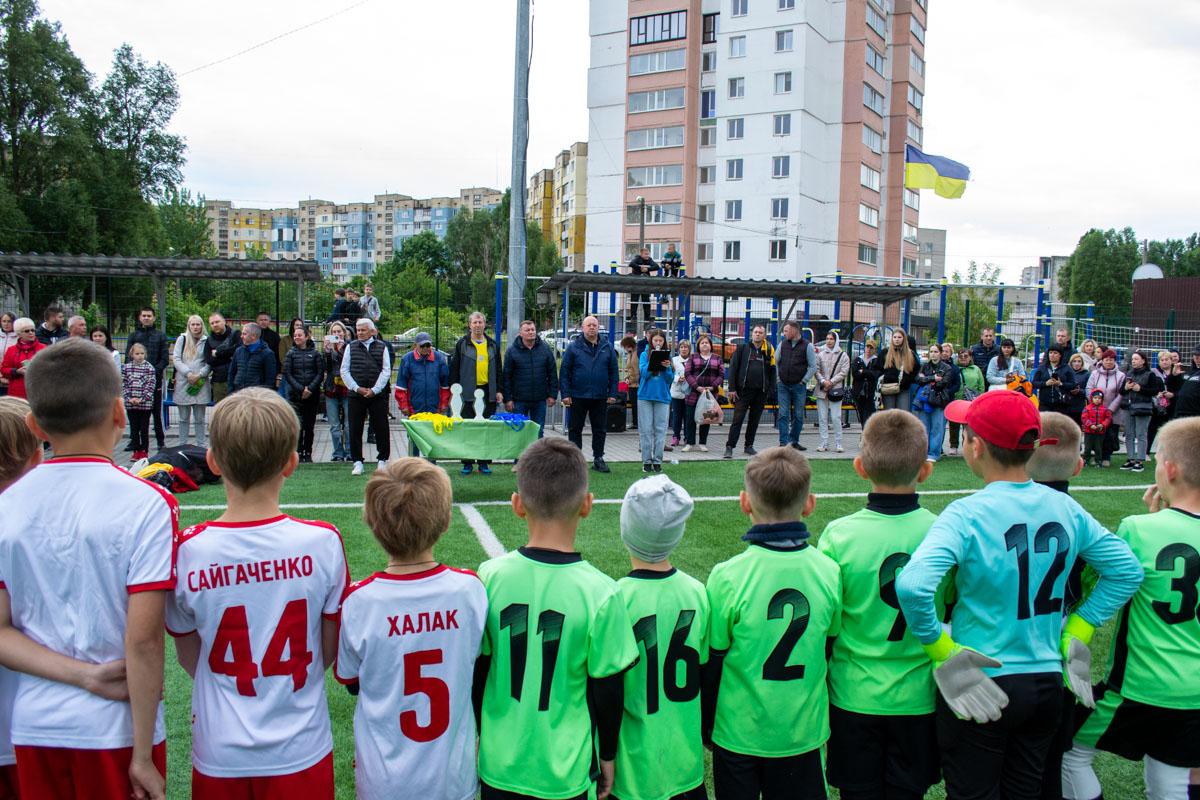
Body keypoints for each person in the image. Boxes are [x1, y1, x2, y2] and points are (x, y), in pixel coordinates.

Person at [895, 391, 1143, 800]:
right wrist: (1078, 628)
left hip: (982, 678)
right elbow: (1125, 571)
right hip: (1046, 684)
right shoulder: (1065, 507)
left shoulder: (966, 512)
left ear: (975, 446)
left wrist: (940, 649)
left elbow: (913, 585)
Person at [0, 338, 177, 800]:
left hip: (35, 724)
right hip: (114, 729)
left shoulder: (6, 504)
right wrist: (141, 755)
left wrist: (78, 675)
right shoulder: (148, 501)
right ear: (121, 413)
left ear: (34, 425)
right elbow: (142, 640)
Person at [165, 388, 347, 799]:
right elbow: (327, 647)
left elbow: (188, 653)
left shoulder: (189, 549)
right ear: (292, 463)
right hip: (300, 741)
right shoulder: (322, 542)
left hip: (220, 745)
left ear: (212, 462)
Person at [473, 438, 639, 800]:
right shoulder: (602, 592)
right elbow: (608, 689)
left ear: (517, 506)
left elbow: (478, 667)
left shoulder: (488, 577)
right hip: (565, 769)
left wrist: (477, 731)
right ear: (587, 506)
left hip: (499, 762)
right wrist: (607, 755)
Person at [1062, 417, 1200, 800]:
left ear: (1168, 470)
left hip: (1140, 687)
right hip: (1196, 691)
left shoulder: (1139, 528)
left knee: (1068, 752)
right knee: (1173, 775)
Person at [336, 458, 486, 800]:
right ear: (447, 522)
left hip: (383, 780)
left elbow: (352, 682)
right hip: (452, 777)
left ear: (371, 523)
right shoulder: (469, 589)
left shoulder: (359, 601)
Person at [704, 446, 841, 799]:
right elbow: (829, 647)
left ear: (744, 503)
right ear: (809, 504)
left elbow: (713, 661)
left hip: (739, 732)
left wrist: (707, 725)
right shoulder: (828, 571)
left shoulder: (728, 576)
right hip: (802, 732)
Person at [818, 410, 942, 800]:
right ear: (925, 471)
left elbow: (828, 622)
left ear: (860, 467)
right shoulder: (942, 532)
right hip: (919, 698)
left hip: (854, 696)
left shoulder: (839, 536)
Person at [614, 474, 708, 800]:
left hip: (631, 771)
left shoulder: (615, 598)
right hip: (686, 764)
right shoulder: (698, 593)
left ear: (627, 528)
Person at [560, 315, 619, 472]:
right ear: (582, 328)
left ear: (598, 328)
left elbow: (614, 372)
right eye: (589, 325)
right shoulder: (573, 347)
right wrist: (566, 394)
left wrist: (613, 393)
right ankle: (575, 460)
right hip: (577, 395)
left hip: (600, 396)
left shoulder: (607, 347)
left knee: (599, 429)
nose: (592, 327)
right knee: (575, 429)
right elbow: (564, 372)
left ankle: (598, 458)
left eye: (594, 325)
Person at [448, 312, 503, 475]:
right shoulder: (462, 344)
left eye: (480, 322)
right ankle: (467, 463)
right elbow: (454, 368)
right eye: (475, 322)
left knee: (486, 428)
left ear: (485, 325)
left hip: (488, 392)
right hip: (467, 392)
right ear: (469, 325)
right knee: (468, 428)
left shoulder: (492, 345)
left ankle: (484, 463)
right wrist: (454, 390)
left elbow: (499, 370)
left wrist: (499, 390)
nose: (478, 325)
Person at [341, 318, 393, 476]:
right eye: (358, 330)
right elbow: (344, 371)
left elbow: (386, 370)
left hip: (377, 395)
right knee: (355, 428)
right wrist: (357, 388)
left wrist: (375, 390)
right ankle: (357, 462)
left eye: (363, 330)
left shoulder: (382, 346)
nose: (360, 333)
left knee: (381, 427)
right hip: (356, 395)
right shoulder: (350, 347)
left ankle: (382, 460)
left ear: (372, 331)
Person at [724, 324, 776, 459]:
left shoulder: (769, 350)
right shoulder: (742, 348)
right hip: (743, 392)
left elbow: (772, 370)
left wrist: (770, 389)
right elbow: (733, 368)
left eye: (760, 332)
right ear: (752, 334)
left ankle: (749, 446)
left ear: (764, 336)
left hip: (760, 392)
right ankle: (729, 447)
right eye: (755, 332)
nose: (757, 334)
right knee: (737, 420)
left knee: (754, 421)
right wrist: (732, 388)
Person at [395, 332, 450, 458]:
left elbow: (445, 384)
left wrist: (444, 403)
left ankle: (432, 466)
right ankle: (413, 466)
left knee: (433, 437)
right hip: (414, 406)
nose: (426, 348)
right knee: (414, 437)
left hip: (434, 405)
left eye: (428, 345)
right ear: (415, 345)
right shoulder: (407, 359)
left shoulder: (439, 358)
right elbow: (400, 386)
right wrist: (403, 405)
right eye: (422, 345)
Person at [502, 320, 558, 442]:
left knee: (538, 432)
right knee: (519, 432)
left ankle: (537, 460)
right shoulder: (512, 351)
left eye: (532, 329)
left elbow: (552, 373)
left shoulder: (545, 349)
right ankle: (519, 460)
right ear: (520, 333)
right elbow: (506, 377)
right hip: (519, 400)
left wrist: (552, 395)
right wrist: (508, 399)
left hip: (540, 400)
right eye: (527, 330)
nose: (531, 332)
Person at [126, 307, 169, 450]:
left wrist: (151, 373)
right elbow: (127, 357)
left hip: (153, 381)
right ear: (140, 318)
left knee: (156, 413)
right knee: (134, 414)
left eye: (149, 316)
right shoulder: (133, 336)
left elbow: (164, 359)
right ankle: (134, 441)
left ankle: (160, 441)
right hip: (134, 384)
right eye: (144, 315)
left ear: (154, 318)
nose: (146, 318)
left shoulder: (160, 336)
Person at [283, 324, 325, 463]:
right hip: (296, 396)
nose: (297, 338)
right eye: (295, 335)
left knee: (309, 425)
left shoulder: (315, 353)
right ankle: (298, 452)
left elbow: (319, 373)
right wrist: (301, 389)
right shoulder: (290, 354)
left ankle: (308, 453)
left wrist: (310, 389)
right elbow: (288, 373)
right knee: (298, 425)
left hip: (312, 396)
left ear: (307, 336)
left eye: (299, 335)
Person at [914, 343, 959, 462]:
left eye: (936, 352)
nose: (933, 354)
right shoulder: (924, 365)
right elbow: (918, 380)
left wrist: (926, 378)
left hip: (939, 399)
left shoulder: (946, 367)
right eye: (931, 351)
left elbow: (943, 383)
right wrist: (933, 378)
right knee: (924, 427)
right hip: (924, 400)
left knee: (937, 427)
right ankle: (924, 452)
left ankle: (934, 453)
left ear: (940, 353)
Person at [1118, 350, 1162, 474]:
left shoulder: (1150, 374)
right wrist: (1126, 388)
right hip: (1128, 407)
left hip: (1142, 407)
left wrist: (1140, 389)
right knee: (1129, 434)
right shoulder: (1128, 374)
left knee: (1141, 434)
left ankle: (1140, 460)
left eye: (1136, 359)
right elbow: (1121, 391)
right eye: (1132, 359)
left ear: (1143, 361)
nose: (1133, 361)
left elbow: (1154, 391)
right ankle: (1130, 459)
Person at [777, 320, 818, 451]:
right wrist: (778, 378)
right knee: (783, 414)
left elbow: (813, 366)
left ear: (794, 331)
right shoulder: (782, 344)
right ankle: (784, 442)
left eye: (786, 331)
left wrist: (804, 381)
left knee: (798, 415)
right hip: (783, 384)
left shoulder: (808, 346)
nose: (784, 334)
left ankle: (794, 441)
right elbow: (776, 361)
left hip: (798, 386)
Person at [171, 314, 211, 448]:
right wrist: (188, 373)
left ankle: (201, 445)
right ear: (189, 326)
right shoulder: (182, 339)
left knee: (200, 419)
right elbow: (176, 359)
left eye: (198, 324)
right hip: (184, 383)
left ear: (202, 326)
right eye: (193, 324)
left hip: (200, 383)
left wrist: (200, 374)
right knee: (183, 418)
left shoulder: (207, 341)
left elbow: (209, 361)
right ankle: (182, 445)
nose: (195, 327)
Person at [637, 328, 673, 472]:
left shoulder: (667, 356)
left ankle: (657, 461)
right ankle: (646, 461)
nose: (658, 342)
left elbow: (670, 379)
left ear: (664, 342)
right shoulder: (645, 354)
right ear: (651, 341)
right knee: (645, 430)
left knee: (661, 430)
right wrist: (654, 363)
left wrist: (668, 368)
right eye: (655, 340)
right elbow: (644, 373)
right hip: (645, 396)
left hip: (662, 397)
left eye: (660, 340)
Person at [682, 334, 724, 453]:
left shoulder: (717, 358)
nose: (705, 344)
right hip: (694, 393)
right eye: (702, 343)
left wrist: (713, 386)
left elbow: (721, 375)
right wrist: (697, 386)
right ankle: (689, 443)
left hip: (709, 394)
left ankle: (703, 443)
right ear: (698, 346)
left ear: (711, 345)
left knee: (707, 418)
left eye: (707, 343)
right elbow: (688, 374)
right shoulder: (692, 357)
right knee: (690, 418)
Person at [1087, 349, 1127, 466]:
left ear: (1115, 361)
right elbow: (1089, 389)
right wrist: (1095, 405)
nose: (1108, 362)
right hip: (1095, 412)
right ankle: (1097, 457)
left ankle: (1106, 457)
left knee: (1110, 434)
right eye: (1106, 360)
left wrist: (1110, 409)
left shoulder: (1121, 376)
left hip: (1113, 412)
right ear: (1102, 360)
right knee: (1096, 435)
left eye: (1111, 360)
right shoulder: (1095, 374)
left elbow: (1121, 394)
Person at [812, 330, 850, 454]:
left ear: (836, 340)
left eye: (831, 339)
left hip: (835, 390)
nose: (829, 341)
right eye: (827, 339)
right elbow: (816, 370)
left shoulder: (843, 355)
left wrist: (831, 382)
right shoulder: (821, 355)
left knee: (836, 417)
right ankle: (824, 442)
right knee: (822, 418)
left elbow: (844, 371)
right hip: (822, 390)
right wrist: (823, 381)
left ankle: (839, 442)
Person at [322, 321, 352, 462]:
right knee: (334, 424)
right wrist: (327, 351)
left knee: (348, 423)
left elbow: (345, 366)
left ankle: (349, 451)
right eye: (334, 332)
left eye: (339, 331)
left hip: (346, 387)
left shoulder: (349, 347)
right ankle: (337, 452)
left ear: (344, 332)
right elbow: (327, 368)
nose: (336, 334)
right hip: (331, 388)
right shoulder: (328, 348)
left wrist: (340, 351)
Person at [123, 343, 156, 461]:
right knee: (134, 429)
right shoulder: (126, 368)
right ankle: (136, 450)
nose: (140, 356)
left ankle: (144, 451)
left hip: (145, 405)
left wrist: (142, 399)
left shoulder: (149, 368)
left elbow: (150, 385)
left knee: (144, 429)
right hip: (131, 404)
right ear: (132, 355)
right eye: (137, 354)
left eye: (142, 353)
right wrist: (129, 398)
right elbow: (124, 384)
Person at [949, 347, 985, 456]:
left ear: (970, 357)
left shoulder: (976, 369)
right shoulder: (954, 369)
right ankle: (954, 445)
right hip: (956, 399)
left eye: (966, 356)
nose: (963, 358)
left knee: (969, 425)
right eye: (961, 356)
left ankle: (968, 445)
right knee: (954, 424)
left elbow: (981, 385)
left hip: (971, 401)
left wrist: (980, 398)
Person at [202, 312, 241, 404]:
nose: (215, 325)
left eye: (217, 322)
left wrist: (218, 353)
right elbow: (209, 360)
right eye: (212, 323)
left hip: (236, 379)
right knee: (220, 410)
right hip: (219, 380)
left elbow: (239, 350)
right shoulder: (209, 340)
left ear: (224, 321)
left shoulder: (235, 334)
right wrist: (228, 356)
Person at [0, 317, 44, 399]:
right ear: (19, 334)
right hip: (17, 392)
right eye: (27, 331)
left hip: (37, 390)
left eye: (33, 330)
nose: (31, 333)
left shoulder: (42, 348)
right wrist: (17, 371)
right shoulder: (11, 350)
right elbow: (4, 369)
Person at [228, 322, 278, 393]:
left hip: (256, 395)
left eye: (244, 334)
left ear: (253, 336)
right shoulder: (239, 351)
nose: (241, 336)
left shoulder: (267, 354)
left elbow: (270, 379)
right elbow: (232, 372)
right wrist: (231, 391)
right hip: (238, 392)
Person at [878, 328, 919, 411]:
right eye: (895, 337)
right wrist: (885, 378)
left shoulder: (910, 354)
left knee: (903, 413)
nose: (897, 339)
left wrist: (907, 380)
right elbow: (877, 368)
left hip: (903, 388)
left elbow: (915, 370)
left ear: (904, 339)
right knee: (890, 414)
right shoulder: (885, 352)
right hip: (888, 388)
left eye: (899, 337)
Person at [1032, 343, 1077, 415]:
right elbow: (1034, 383)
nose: (1052, 355)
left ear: (1060, 355)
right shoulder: (1042, 368)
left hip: (1061, 403)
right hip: (1045, 403)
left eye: (1055, 353)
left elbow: (1073, 384)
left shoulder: (1067, 368)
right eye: (1050, 352)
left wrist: (1060, 384)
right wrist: (1045, 383)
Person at [1146, 350, 1174, 452]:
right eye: (1162, 360)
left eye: (1166, 359)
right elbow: (1150, 387)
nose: (1164, 362)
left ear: (1171, 361)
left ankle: (1169, 451)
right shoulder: (1154, 372)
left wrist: (1172, 394)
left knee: (1171, 428)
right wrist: (1157, 394)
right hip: (1157, 405)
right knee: (1152, 427)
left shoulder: (1176, 372)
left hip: (1173, 404)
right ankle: (1146, 452)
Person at [850, 338, 881, 429]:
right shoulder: (858, 360)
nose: (869, 349)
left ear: (874, 349)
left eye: (871, 348)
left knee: (868, 415)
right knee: (861, 413)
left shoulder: (876, 361)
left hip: (871, 393)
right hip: (859, 392)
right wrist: (868, 373)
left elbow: (876, 374)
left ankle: (866, 433)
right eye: (867, 347)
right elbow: (855, 374)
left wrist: (863, 371)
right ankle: (864, 432)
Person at [1165, 344, 1200, 419]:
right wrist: (1173, 375)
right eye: (1194, 355)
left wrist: (1174, 395)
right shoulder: (1187, 371)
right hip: (1180, 411)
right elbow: (1168, 384)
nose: (1196, 358)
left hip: (1195, 413)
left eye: (1199, 355)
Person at [628, 247, 659, 328]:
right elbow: (631, 264)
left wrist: (647, 269)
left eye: (648, 254)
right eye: (645, 254)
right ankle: (633, 316)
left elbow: (656, 266)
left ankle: (647, 316)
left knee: (646, 300)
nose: (647, 255)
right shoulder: (637, 258)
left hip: (645, 283)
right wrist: (640, 268)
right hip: (636, 283)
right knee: (634, 299)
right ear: (641, 254)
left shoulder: (649, 260)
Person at [669, 339, 692, 448]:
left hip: (689, 393)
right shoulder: (673, 360)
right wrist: (678, 379)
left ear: (689, 349)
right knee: (677, 415)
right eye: (681, 347)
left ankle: (687, 437)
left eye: (686, 347)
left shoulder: (693, 360)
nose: (683, 349)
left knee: (688, 416)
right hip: (677, 392)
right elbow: (670, 374)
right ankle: (676, 436)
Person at [1081, 389, 1112, 468]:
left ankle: (1098, 461)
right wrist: (1090, 425)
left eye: (1099, 398)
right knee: (1087, 447)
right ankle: (1085, 460)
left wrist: (1102, 425)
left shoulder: (1105, 409)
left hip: (1100, 433)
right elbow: (1084, 418)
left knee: (1098, 448)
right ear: (1091, 398)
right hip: (1089, 432)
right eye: (1095, 398)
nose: (1097, 400)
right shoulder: (1087, 408)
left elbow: (1108, 419)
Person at [254, 311, 284, 389]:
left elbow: (278, 354)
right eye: (261, 320)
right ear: (257, 321)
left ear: (269, 321)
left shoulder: (274, 336)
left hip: (271, 368)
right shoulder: (253, 335)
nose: (263, 322)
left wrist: (280, 371)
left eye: (265, 320)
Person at [621, 335, 640, 431]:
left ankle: (636, 422)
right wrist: (627, 377)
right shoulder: (630, 355)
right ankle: (635, 422)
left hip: (636, 383)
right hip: (632, 383)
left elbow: (636, 370)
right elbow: (630, 369)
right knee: (634, 403)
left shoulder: (636, 354)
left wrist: (630, 379)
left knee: (636, 404)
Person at [1066, 353, 1090, 428]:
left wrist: (1079, 391)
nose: (1077, 363)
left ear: (1082, 363)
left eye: (1079, 361)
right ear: (1071, 362)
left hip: (1079, 406)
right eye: (1074, 361)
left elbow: (1088, 390)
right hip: (1066, 404)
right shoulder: (1066, 373)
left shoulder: (1086, 374)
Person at [0, 313, 15, 396]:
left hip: (13, 381)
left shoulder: (19, 338)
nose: (6, 324)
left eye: (9, 321)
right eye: (4, 321)